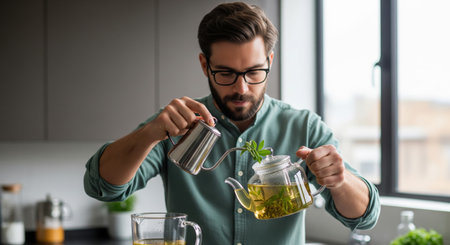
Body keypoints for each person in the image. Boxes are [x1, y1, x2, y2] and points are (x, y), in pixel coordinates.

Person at [84, 2, 380, 244]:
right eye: (225, 73)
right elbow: (102, 187)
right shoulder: (176, 125)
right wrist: (148, 134)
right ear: (205, 65)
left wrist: (340, 181)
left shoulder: (304, 127)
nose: (241, 88)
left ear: (270, 61)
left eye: (254, 72)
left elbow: (364, 217)